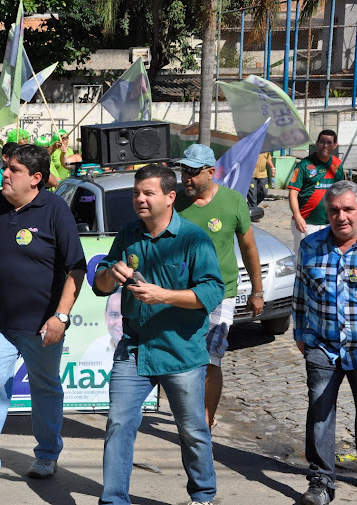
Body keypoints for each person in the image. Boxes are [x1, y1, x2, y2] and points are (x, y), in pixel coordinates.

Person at [0, 144, 87, 493]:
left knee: (45, 389)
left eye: (13, 169)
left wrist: (60, 316)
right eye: (4, 168)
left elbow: (76, 268)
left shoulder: (56, 210)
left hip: (43, 325)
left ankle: (47, 453)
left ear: (36, 178)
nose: (4, 174)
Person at [93, 164, 224, 505]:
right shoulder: (127, 234)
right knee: (119, 423)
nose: (139, 199)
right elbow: (100, 284)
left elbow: (211, 293)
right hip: (134, 349)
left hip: (180, 352)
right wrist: (112, 274)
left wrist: (164, 295)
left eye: (148, 193)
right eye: (137, 192)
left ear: (169, 197)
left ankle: (203, 495)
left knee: (193, 431)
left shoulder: (194, 239)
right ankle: (113, 500)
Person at [174, 144, 264, 429]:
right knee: (185, 359)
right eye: (184, 170)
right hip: (180, 295)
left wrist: (257, 291)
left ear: (211, 172)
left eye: (193, 172)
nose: (186, 177)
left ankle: (205, 424)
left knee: (211, 357)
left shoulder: (234, 201)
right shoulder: (174, 203)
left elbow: (248, 247)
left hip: (220, 293)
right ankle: (188, 411)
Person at [293, 180, 357, 504]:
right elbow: (300, 296)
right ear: (327, 212)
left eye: (348, 209)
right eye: (335, 210)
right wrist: (301, 336)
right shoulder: (310, 246)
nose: (341, 217)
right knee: (320, 413)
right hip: (322, 346)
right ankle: (321, 481)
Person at [288, 129, 344, 253]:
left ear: (335, 145)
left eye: (329, 143)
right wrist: (297, 217)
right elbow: (293, 193)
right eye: (322, 142)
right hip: (306, 223)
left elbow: (341, 192)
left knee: (326, 256)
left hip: (329, 222)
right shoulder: (304, 165)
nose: (325, 146)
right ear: (317, 143)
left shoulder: (337, 165)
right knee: (303, 257)